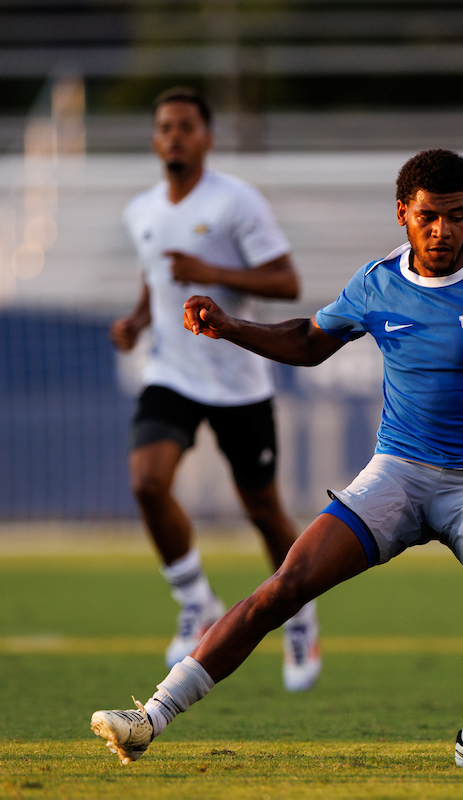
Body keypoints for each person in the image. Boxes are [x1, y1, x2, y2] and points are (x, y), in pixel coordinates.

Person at [91, 149, 463, 770]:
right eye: (428, 217)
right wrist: (230, 326)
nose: (442, 231)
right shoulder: (377, 282)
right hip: (399, 474)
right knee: (288, 586)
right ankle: (150, 717)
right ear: (402, 215)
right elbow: (309, 342)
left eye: (456, 217)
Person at [109, 87, 320, 692]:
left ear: (207, 137)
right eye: (164, 127)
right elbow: (157, 275)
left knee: (263, 510)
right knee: (147, 482)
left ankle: (301, 613)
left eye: (185, 126)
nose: (173, 135)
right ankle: (196, 598)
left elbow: (285, 280)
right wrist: (138, 320)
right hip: (171, 374)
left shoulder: (236, 203)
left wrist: (213, 272)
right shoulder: (141, 210)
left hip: (237, 379)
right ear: (154, 139)